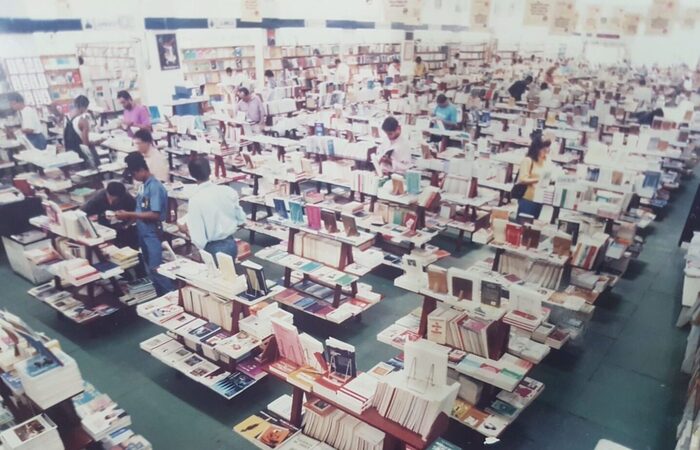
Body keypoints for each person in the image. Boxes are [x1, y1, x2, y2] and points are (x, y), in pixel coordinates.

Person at [115, 152, 174, 296]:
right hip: (143, 231)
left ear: (141, 170)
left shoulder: (154, 187)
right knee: (150, 268)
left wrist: (129, 215)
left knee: (156, 268)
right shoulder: (143, 186)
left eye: (134, 174)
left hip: (152, 232)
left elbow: (155, 214)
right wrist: (129, 221)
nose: (133, 178)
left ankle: (171, 296)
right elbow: (140, 208)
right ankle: (161, 297)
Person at [178, 156, 246, 260]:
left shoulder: (196, 200)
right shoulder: (227, 191)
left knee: (216, 275)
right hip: (231, 244)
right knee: (228, 273)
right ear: (210, 171)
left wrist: (187, 231)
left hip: (213, 248)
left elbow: (199, 239)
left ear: (192, 175)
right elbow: (241, 219)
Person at [82, 181, 137, 248]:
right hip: (105, 229)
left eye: (116, 200)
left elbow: (136, 214)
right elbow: (82, 214)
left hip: (125, 228)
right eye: (110, 199)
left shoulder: (127, 197)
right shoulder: (98, 198)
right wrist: (88, 228)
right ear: (107, 193)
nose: (111, 202)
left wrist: (126, 225)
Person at [516, 133, 551, 219]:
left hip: (541, 199)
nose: (547, 150)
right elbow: (522, 179)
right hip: (528, 199)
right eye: (544, 147)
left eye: (548, 147)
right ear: (537, 148)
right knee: (524, 224)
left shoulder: (546, 161)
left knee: (534, 228)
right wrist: (539, 179)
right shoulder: (528, 160)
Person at [63, 95, 100, 167]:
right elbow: (85, 144)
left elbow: (65, 139)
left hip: (71, 155)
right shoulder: (83, 121)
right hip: (82, 157)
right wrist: (96, 142)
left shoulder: (67, 118)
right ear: (84, 107)